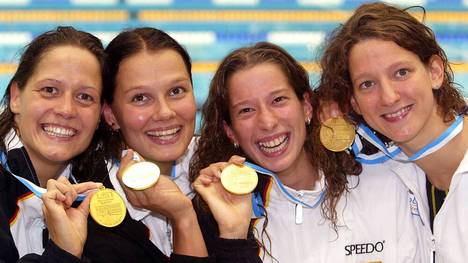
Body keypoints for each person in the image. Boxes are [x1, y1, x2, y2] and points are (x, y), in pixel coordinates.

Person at [190, 41, 421, 262]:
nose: (267, 122)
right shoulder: (216, 215)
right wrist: (233, 236)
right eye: (246, 110)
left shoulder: (383, 176)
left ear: (307, 106)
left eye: (279, 100)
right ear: (230, 131)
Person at [83, 27, 258, 263]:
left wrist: (234, 235)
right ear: (110, 114)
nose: (165, 113)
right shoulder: (85, 206)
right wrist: (182, 216)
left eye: (176, 91)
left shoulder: (223, 179)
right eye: (140, 98)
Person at [317, 2, 468, 262]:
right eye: (367, 84)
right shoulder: (397, 169)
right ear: (354, 103)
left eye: (401, 72)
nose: (388, 97)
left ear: (434, 71)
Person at [0, 26, 106, 261]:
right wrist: (63, 254)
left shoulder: (100, 190)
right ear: (16, 97)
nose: (66, 110)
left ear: (101, 114)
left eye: (84, 96)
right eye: (50, 90)